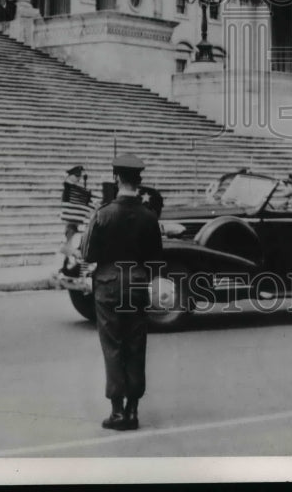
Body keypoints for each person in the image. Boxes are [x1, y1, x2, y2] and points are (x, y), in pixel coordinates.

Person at [82, 151, 164, 432]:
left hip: (108, 284)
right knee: (135, 344)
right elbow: (156, 258)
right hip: (138, 281)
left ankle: (117, 411)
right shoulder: (150, 217)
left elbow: (88, 253)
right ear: (139, 180)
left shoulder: (103, 214)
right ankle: (133, 409)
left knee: (113, 346)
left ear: (116, 178)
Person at [60, 165, 93, 270]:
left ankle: (67, 266)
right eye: (77, 176)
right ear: (71, 175)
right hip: (71, 222)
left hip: (73, 222)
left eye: (79, 176)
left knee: (71, 243)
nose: (79, 178)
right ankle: (69, 266)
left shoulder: (72, 187)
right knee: (70, 244)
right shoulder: (69, 187)